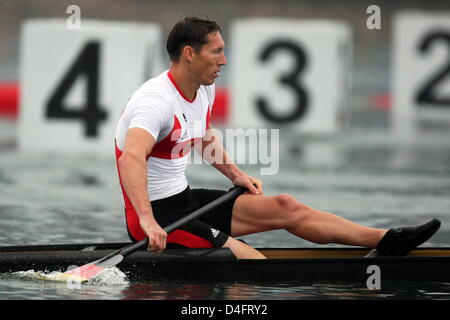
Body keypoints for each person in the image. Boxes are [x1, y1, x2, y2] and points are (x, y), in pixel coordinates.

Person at [114, 16, 440, 259]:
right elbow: (132, 157)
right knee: (253, 263)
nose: (224, 60)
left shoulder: (203, 89)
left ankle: (388, 240)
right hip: (156, 217)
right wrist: (147, 220)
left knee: (287, 206)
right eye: (217, 52)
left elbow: (202, 136)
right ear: (189, 53)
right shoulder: (153, 102)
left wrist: (236, 175)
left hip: (185, 202)